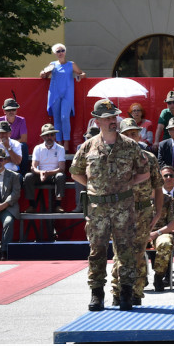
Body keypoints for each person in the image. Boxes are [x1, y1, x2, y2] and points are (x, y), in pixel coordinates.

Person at [70, 99, 150, 312]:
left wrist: (129, 183)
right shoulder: (88, 146)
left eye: (114, 117)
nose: (112, 121)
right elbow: (75, 171)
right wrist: (93, 186)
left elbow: (145, 171)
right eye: (107, 118)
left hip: (123, 206)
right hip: (97, 209)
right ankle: (97, 294)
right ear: (97, 121)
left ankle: (125, 293)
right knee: (97, 251)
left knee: (126, 251)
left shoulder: (130, 145)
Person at [110, 118, 163, 305]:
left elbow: (158, 187)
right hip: (120, 212)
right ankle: (118, 291)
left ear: (139, 135)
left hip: (142, 212)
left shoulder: (149, 158)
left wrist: (157, 213)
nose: (132, 137)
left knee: (139, 253)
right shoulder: (114, 159)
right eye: (128, 133)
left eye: (135, 133)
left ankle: (136, 292)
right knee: (120, 254)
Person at [40, 43, 86, 152]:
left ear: (65, 52)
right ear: (55, 53)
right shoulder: (53, 64)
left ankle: (66, 142)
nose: (60, 53)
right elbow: (43, 75)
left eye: (62, 50)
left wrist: (80, 76)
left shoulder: (71, 64)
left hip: (67, 93)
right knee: (57, 119)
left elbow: (82, 73)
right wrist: (45, 71)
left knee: (65, 117)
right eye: (58, 51)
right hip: (55, 93)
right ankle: (59, 143)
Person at [23, 124, 66, 213]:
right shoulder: (38, 148)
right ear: (43, 137)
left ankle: (58, 205)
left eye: (51, 135)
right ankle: (32, 205)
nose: (49, 137)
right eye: (47, 135)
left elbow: (61, 168)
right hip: (40, 174)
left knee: (61, 176)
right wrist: (41, 172)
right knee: (28, 176)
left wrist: (47, 173)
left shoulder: (60, 148)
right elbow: (33, 167)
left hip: (54, 174)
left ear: (54, 136)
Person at [148, 191, 174, 292]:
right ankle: (139, 278)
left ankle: (159, 276)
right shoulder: (136, 198)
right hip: (140, 233)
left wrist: (156, 233)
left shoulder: (167, 199)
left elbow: (173, 224)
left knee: (165, 243)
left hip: (160, 232)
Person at [0, 97, 29, 175]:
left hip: (15, 146)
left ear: (16, 110)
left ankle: (23, 174)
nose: (11, 111)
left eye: (13, 109)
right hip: (1, 145)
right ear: (4, 111)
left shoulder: (21, 120)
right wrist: (5, 144)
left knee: (24, 146)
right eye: (8, 110)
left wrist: (10, 144)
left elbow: (24, 139)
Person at [73, 126, 99, 213]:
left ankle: (97, 206)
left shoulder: (102, 146)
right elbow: (78, 164)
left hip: (98, 174)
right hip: (85, 172)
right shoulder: (81, 147)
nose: (87, 140)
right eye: (87, 138)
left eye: (90, 138)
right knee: (77, 178)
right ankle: (80, 205)